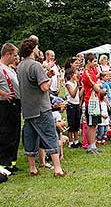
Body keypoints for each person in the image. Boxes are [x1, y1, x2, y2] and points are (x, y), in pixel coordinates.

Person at [16, 37, 66, 177]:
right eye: (37, 47)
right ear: (32, 49)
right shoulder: (35, 65)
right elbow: (44, 87)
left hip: (27, 109)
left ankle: (32, 168)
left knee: (30, 138)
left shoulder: (20, 66)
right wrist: (49, 79)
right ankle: (58, 169)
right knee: (50, 135)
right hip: (41, 108)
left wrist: (45, 75)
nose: (39, 50)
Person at [0, 43, 21, 173]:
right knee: (6, 134)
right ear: (7, 54)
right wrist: (3, 94)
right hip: (5, 105)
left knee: (15, 134)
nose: (15, 58)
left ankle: (12, 162)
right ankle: (4, 163)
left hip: (15, 104)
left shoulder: (10, 69)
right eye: (14, 55)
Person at [80, 53, 103, 154]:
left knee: (94, 124)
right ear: (88, 62)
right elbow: (96, 87)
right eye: (93, 61)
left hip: (95, 100)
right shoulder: (86, 73)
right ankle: (90, 146)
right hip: (90, 101)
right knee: (90, 124)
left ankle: (93, 145)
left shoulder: (92, 71)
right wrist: (102, 89)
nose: (95, 63)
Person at [64, 68, 81, 148]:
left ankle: (76, 140)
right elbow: (73, 94)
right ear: (71, 75)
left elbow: (79, 95)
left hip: (77, 104)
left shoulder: (75, 83)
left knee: (77, 123)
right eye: (75, 74)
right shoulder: (68, 84)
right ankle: (71, 142)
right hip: (71, 105)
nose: (76, 75)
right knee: (71, 123)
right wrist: (77, 86)